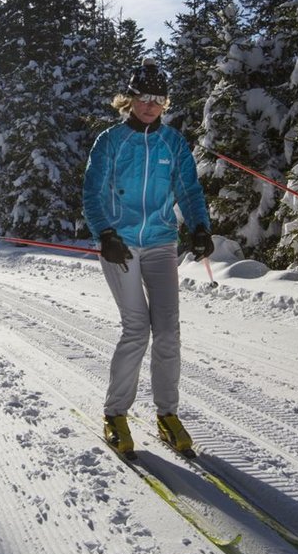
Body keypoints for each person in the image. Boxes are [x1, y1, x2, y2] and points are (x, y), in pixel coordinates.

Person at [82, 58, 213, 459]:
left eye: (158, 99)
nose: (150, 105)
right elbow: (93, 192)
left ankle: (167, 413)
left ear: (165, 102)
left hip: (159, 243)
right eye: (143, 97)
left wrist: (200, 226)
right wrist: (105, 233)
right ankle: (115, 413)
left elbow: (188, 189)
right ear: (130, 98)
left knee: (168, 331)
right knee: (137, 330)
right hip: (119, 245)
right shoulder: (110, 141)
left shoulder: (172, 143)